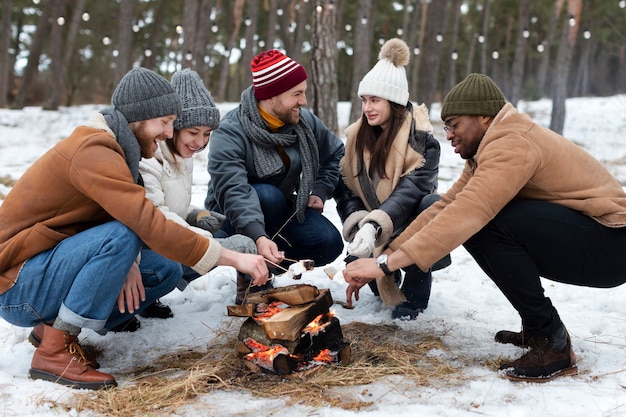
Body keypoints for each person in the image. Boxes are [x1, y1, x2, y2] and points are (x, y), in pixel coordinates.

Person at [342, 73, 626, 382]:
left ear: (484, 117)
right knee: (479, 220)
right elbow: (446, 206)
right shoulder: (491, 145)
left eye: (454, 124)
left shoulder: (513, 144)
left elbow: (469, 212)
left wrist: (384, 266)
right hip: (594, 239)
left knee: (484, 221)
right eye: (446, 126)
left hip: (610, 244)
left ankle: (553, 343)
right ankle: (538, 329)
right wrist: (385, 254)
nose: (448, 134)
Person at [0, 67, 269, 390]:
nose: (171, 133)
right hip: (16, 286)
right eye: (165, 122)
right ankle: (54, 351)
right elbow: (144, 220)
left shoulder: (118, 151)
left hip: (43, 268)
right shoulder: (94, 150)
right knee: (125, 234)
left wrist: (128, 261)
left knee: (162, 269)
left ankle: (48, 328)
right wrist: (230, 257)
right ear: (138, 118)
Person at [204, 49, 345, 279]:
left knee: (328, 241)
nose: (304, 101)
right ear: (270, 96)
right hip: (233, 213)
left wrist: (320, 189)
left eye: (304, 93)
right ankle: (251, 276)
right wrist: (258, 235)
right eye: (296, 94)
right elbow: (233, 189)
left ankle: (271, 265)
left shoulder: (303, 122)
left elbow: (336, 155)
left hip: (282, 209)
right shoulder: (231, 130)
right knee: (268, 196)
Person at [335, 38, 449, 320]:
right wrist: (358, 227)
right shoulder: (355, 139)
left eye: (375, 100)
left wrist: (374, 226)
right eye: (364, 100)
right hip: (371, 228)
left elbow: (410, 193)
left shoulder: (424, 144)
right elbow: (348, 190)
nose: (367, 108)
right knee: (375, 288)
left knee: (431, 204)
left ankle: (415, 284)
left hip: (408, 227)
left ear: (394, 101)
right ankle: (381, 270)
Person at [140, 68, 268, 305]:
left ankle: (253, 292)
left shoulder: (182, 156)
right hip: (147, 250)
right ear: (173, 127)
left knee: (225, 228)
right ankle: (140, 302)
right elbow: (157, 217)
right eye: (193, 133)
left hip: (167, 237)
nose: (200, 143)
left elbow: (172, 204)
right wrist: (215, 247)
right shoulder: (149, 160)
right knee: (231, 245)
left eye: (207, 134)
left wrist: (195, 215)